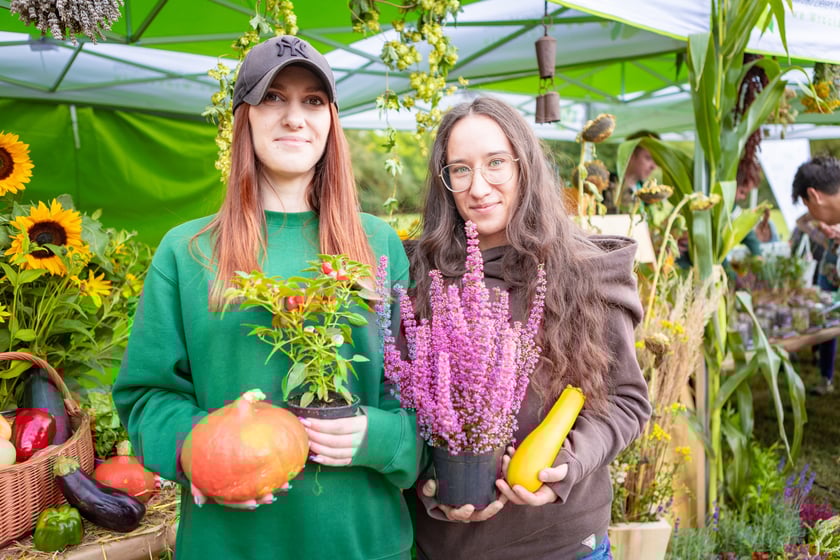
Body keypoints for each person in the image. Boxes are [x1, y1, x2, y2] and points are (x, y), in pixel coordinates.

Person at [112, 35, 417, 560]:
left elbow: (417, 393)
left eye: (313, 101)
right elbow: (145, 397)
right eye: (273, 98)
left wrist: (382, 437)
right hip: (230, 544)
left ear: (331, 121)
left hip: (361, 540)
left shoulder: (379, 243)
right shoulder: (187, 252)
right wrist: (201, 454)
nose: (294, 117)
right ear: (244, 118)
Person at [407, 97, 652, 559]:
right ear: (445, 182)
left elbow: (626, 400)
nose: (478, 187)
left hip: (559, 544)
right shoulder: (419, 275)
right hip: (447, 546)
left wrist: (568, 462)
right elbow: (397, 401)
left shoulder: (587, 270)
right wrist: (431, 483)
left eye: (496, 163)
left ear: (526, 165)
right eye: (460, 170)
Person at [792, 156, 840, 395]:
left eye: (806, 203)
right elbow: (802, 222)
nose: (808, 212)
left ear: (815, 195)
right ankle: (826, 377)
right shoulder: (830, 233)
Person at [605, 129, 660, 213]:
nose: (654, 166)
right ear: (630, 154)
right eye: (648, 158)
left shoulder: (647, 194)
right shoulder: (606, 186)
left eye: (656, 160)